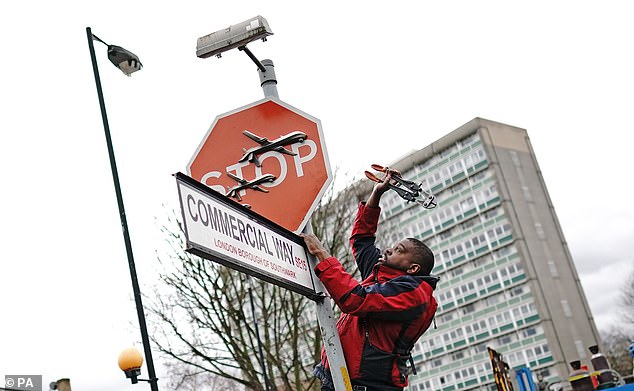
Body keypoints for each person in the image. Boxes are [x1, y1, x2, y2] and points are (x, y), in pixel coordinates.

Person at [301, 169, 439, 391]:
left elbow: (355, 300)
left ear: (413, 268)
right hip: (335, 377)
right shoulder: (382, 274)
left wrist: (322, 255)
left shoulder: (413, 294)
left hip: (365, 387)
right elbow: (362, 241)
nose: (389, 249)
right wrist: (377, 194)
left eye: (398, 250)